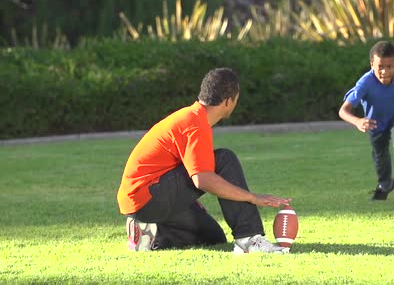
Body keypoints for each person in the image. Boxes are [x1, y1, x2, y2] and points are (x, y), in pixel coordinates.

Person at [117, 67, 292, 253]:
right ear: (228, 101)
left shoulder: (194, 117)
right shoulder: (195, 123)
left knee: (213, 237)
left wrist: (184, 198)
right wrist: (252, 197)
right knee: (224, 159)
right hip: (148, 198)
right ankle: (249, 240)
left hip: (145, 199)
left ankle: (150, 235)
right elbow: (202, 179)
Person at [338, 41, 394, 208]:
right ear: (372, 65)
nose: (385, 72)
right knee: (380, 155)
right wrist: (358, 121)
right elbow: (343, 111)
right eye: (380, 67)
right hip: (374, 122)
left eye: (390, 66)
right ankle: (385, 184)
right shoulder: (365, 83)